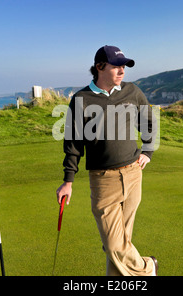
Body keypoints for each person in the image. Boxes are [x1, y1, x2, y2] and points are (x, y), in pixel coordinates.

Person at [56, 45, 158, 276]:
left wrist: (147, 152)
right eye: (116, 66)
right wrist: (68, 181)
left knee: (122, 242)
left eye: (124, 66)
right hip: (103, 180)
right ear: (100, 67)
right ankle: (148, 266)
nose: (122, 71)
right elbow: (73, 143)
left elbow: (149, 122)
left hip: (133, 173)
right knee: (114, 245)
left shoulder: (132, 91)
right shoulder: (81, 99)